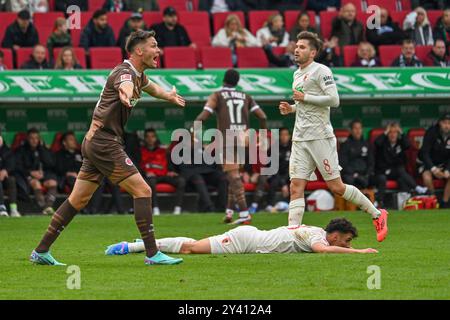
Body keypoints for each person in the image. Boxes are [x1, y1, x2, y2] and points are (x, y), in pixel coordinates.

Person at [29, 30, 186, 267]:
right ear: (139, 51)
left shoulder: (139, 76)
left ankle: (41, 250)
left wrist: (170, 96)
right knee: (143, 191)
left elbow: (154, 89)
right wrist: (124, 94)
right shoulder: (124, 73)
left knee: (78, 200)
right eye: (154, 46)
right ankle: (153, 254)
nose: (158, 51)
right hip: (104, 143)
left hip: (96, 142)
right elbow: (124, 85)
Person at [278, 31, 388, 243]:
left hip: (320, 136)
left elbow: (334, 100)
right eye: (296, 46)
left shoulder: (321, 71)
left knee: (336, 187)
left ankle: (377, 214)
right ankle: (291, 236)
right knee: (295, 186)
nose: (296, 49)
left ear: (313, 52)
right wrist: (291, 109)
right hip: (300, 137)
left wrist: (305, 97)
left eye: (302, 47)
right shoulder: (296, 74)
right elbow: (304, 105)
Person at [194, 69, 267, 224]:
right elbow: (262, 116)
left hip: (227, 139)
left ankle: (244, 214)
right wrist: (262, 134)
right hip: (243, 138)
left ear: (224, 80)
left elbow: (204, 115)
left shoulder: (217, 95)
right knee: (232, 174)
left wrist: (195, 131)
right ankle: (229, 212)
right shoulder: (246, 96)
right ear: (237, 82)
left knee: (233, 177)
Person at [105, 217, 379, 256]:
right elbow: (322, 251)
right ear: (335, 234)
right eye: (347, 239)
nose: (347, 243)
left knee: (191, 245)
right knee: (189, 249)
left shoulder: (314, 231)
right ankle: (132, 246)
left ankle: (137, 245)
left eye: (350, 242)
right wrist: (359, 253)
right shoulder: (315, 235)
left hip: (249, 237)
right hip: (246, 241)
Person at [373, 122, 428, 207]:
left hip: (396, 172)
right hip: (383, 171)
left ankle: (403, 204)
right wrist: (385, 132)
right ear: (387, 134)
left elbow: (408, 145)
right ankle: (379, 202)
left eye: (395, 132)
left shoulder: (400, 143)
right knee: (383, 178)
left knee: (402, 177)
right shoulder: (383, 143)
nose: (393, 135)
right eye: (390, 132)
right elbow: (376, 143)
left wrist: (401, 132)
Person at [170, 133, 228, 213]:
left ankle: (222, 207)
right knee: (197, 178)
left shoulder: (202, 150)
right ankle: (209, 207)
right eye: (189, 140)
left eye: (193, 140)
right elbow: (185, 169)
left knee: (222, 177)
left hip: (207, 173)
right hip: (192, 178)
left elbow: (211, 165)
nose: (193, 142)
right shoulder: (179, 152)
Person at [140, 128, 185, 215]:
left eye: (152, 136)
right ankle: (155, 209)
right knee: (150, 183)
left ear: (156, 138)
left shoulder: (163, 150)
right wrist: (145, 173)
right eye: (148, 137)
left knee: (181, 181)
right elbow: (138, 167)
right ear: (145, 138)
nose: (150, 139)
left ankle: (177, 209)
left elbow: (169, 164)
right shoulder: (140, 151)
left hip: (164, 175)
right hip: (151, 176)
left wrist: (171, 171)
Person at [15, 128, 57, 215]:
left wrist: (41, 148)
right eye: (31, 138)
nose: (34, 141)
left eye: (36, 138)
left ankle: (48, 206)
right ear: (27, 139)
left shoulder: (42, 149)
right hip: (27, 177)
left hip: (43, 176)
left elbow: (51, 164)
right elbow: (17, 167)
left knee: (52, 182)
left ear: (39, 139)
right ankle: (43, 207)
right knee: (36, 183)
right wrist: (30, 172)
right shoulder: (22, 150)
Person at [418, 114, 450, 208]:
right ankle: (434, 200)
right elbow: (425, 153)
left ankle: (444, 202)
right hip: (429, 163)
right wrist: (433, 169)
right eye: (444, 123)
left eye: (449, 123)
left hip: (444, 164)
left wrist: (448, 170)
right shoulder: (432, 132)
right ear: (440, 123)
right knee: (427, 177)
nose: (447, 125)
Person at [339, 120, 373, 190]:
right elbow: (343, 164)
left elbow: (371, 162)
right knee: (349, 180)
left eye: (359, 128)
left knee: (377, 179)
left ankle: (378, 200)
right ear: (351, 130)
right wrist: (355, 175)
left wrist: (367, 174)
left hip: (364, 175)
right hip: (350, 175)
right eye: (355, 128)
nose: (358, 130)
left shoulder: (367, 144)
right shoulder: (345, 145)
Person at [265, 127, 291, 212]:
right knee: (274, 182)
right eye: (282, 135)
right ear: (279, 136)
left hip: (288, 175)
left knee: (296, 182)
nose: (284, 137)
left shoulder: (293, 148)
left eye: (286, 135)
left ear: (289, 136)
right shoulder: (274, 148)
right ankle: (270, 206)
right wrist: (283, 183)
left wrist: (284, 180)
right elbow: (272, 167)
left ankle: (292, 205)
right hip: (274, 174)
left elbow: (293, 166)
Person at [0, 132, 20, 217]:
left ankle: (13, 209)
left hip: (4, 177)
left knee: (11, 180)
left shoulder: (6, 150)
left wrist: (5, 170)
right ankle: (2, 208)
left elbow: (12, 163)